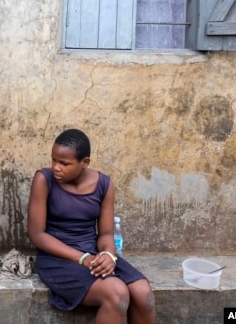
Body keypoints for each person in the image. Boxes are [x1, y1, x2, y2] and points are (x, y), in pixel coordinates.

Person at [27, 129, 156, 323]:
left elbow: (105, 233)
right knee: (117, 295)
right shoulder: (44, 180)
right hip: (57, 258)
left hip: (93, 253)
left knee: (144, 295)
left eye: (64, 163)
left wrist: (108, 255)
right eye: (53, 160)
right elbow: (37, 234)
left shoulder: (104, 185)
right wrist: (83, 258)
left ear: (84, 162)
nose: (56, 167)